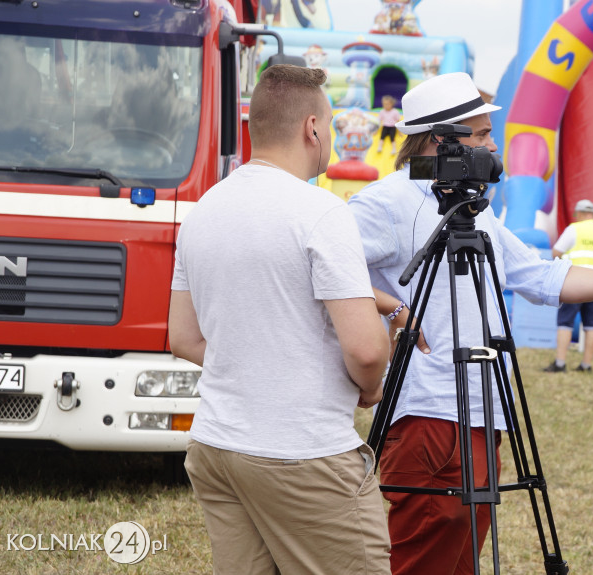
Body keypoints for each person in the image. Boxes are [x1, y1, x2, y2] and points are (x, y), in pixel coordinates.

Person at [347, 72, 593, 575]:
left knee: (467, 543)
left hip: (487, 408)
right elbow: (325, 265)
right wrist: (395, 309)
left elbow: (540, 275)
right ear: (443, 140)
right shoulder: (386, 201)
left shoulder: (474, 207)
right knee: (429, 545)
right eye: (483, 135)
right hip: (426, 409)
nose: (493, 145)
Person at [168, 65, 392, 575]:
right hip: (302, 451)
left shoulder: (202, 210)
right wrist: (370, 387)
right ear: (312, 128)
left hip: (217, 445)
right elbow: (366, 349)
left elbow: (182, 336)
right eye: (330, 126)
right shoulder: (322, 211)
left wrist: (255, 359)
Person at [545, 199, 593, 373]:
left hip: (574, 282)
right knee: (592, 324)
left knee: (565, 321)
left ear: (578, 213)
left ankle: (560, 363)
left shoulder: (574, 229)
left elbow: (556, 252)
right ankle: (586, 364)